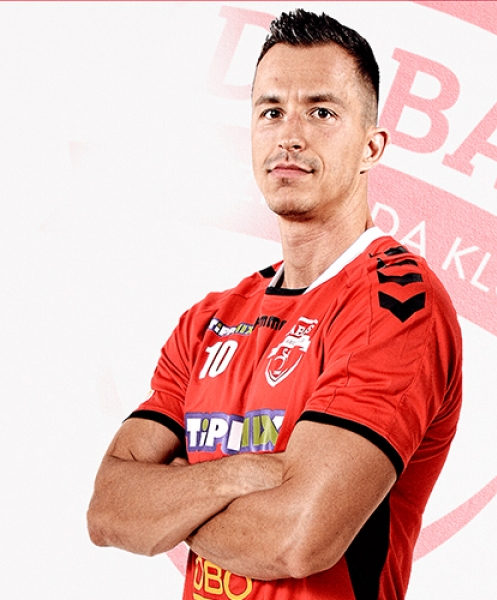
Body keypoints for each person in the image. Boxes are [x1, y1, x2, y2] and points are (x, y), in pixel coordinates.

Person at [87, 9, 462, 600]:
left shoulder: (395, 303)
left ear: (371, 147)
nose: (290, 134)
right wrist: (243, 475)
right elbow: (109, 511)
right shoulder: (210, 321)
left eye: (321, 112)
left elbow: (297, 538)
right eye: (271, 111)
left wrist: (171, 501)